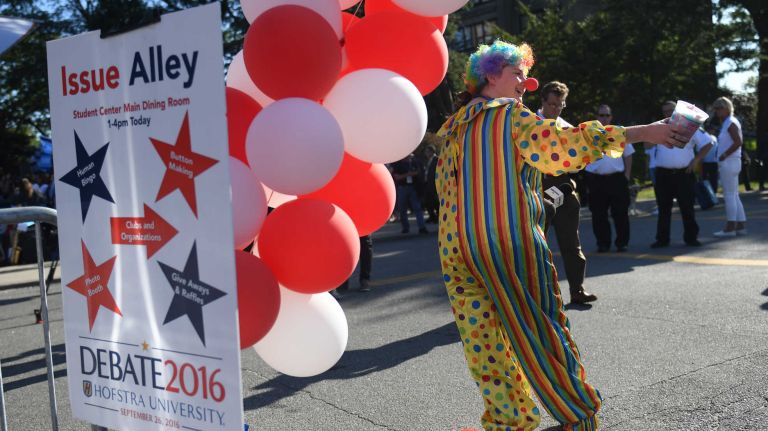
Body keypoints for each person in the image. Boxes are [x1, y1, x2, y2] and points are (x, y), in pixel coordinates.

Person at [436, 40, 687, 431]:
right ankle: (577, 415)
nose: (526, 82)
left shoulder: (453, 129)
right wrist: (643, 132)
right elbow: (567, 145)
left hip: (457, 251)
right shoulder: (509, 118)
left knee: (483, 345)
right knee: (538, 334)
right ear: (489, 75)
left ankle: (510, 419)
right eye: (517, 73)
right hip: (507, 244)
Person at [536, 81, 596, 304]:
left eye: (560, 105)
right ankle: (536, 295)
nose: (555, 109)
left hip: (562, 186)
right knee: (535, 244)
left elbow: (578, 161)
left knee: (572, 243)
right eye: (551, 104)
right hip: (537, 188)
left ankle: (577, 289)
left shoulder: (568, 128)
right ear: (542, 102)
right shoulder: (530, 124)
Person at [649, 101, 713, 248]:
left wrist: (696, 160)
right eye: (665, 111)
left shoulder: (689, 126)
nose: (668, 114)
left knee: (687, 207)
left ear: (677, 111)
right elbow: (647, 146)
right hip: (663, 173)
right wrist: (652, 132)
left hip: (684, 173)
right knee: (663, 208)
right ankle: (662, 239)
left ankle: (691, 238)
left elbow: (708, 143)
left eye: (671, 110)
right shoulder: (658, 127)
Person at [584, 104, 634, 252]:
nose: (604, 118)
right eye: (601, 115)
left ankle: (622, 243)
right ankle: (603, 243)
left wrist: (627, 175)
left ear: (611, 117)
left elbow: (629, 155)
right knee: (598, 214)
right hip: (595, 179)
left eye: (607, 115)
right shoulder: (588, 134)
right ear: (596, 117)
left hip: (617, 179)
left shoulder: (618, 133)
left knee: (620, 213)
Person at [712, 96, 747, 236]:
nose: (717, 111)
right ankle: (740, 225)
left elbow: (738, 142)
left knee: (729, 195)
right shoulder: (728, 122)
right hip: (731, 162)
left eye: (719, 108)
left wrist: (724, 155)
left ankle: (730, 227)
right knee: (734, 195)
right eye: (716, 108)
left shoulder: (730, 122)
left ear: (727, 108)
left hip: (729, 161)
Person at [390, 153, 428, 234]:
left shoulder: (414, 163)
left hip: (413, 187)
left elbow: (419, 172)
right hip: (402, 188)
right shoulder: (398, 164)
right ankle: (405, 228)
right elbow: (397, 177)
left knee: (417, 208)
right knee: (402, 209)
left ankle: (422, 227)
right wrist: (409, 174)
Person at [701, 123, 720, 193]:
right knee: (713, 179)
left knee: (706, 178)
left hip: (707, 161)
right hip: (711, 161)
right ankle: (713, 192)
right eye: (712, 130)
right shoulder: (714, 138)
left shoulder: (704, 138)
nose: (713, 131)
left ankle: (708, 192)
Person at [422, 144, 439, 223]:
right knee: (428, 202)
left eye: (427, 151)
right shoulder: (427, 160)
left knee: (436, 202)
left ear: (432, 152)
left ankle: (438, 217)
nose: (426, 153)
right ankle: (432, 216)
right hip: (427, 185)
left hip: (434, 185)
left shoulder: (437, 159)